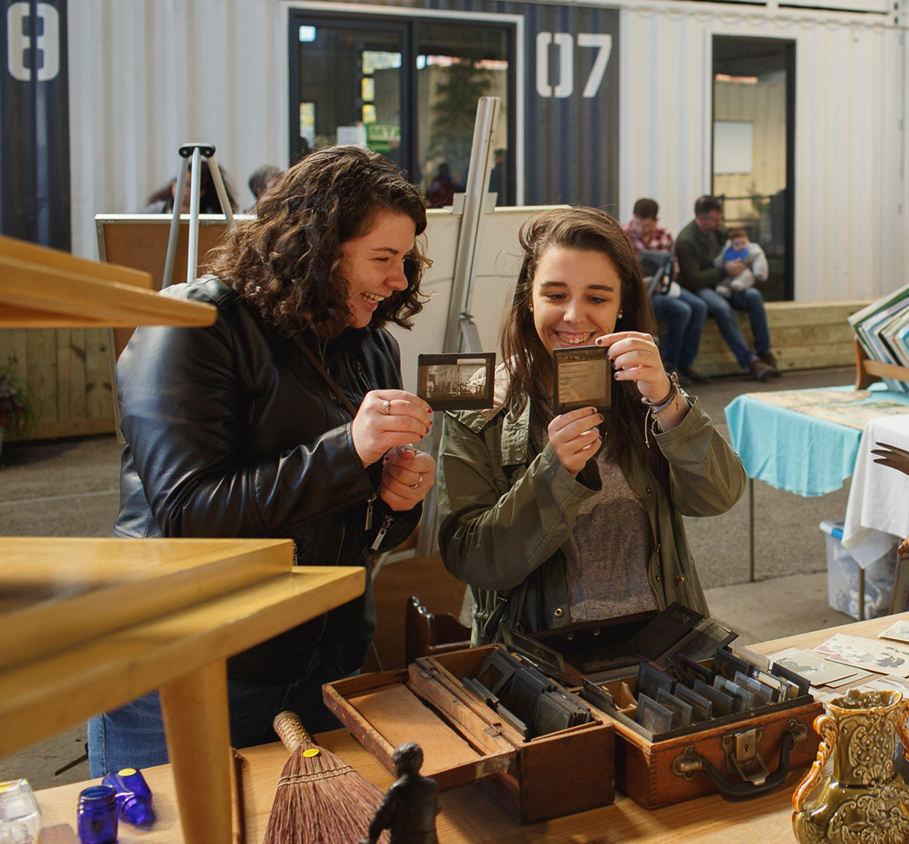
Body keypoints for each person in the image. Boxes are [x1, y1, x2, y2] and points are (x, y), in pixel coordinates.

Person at [89, 145, 436, 774]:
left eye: (406, 260)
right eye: (383, 259)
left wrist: (394, 500)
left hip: (321, 660)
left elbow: (357, 527)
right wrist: (348, 451)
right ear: (314, 244)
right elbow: (189, 516)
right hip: (194, 666)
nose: (400, 281)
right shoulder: (193, 325)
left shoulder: (368, 346)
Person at [436, 206, 744, 639]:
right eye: (556, 295)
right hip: (541, 663)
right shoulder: (480, 405)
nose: (575, 316)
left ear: (622, 306)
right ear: (529, 298)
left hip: (665, 647)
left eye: (597, 298)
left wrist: (669, 402)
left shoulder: (645, 392)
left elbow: (719, 497)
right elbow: (472, 559)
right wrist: (554, 473)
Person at [676, 195, 780, 381]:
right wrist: (724, 270)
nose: (721, 222)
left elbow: (741, 244)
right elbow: (693, 280)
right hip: (703, 286)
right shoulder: (686, 241)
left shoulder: (719, 231)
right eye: (716, 219)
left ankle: (765, 352)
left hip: (729, 280)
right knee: (722, 309)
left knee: (754, 296)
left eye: (721, 218)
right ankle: (751, 361)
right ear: (701, 218)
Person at [623, 198, 709, 385]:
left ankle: (686, 364)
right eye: (637, 223)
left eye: (646, 225)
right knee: (681, 310)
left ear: (655, 221)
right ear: (633, 218)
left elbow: (674, 268)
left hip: (663, 287)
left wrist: (663, 279)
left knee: (700, 306)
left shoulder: (664, 235)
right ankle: (670, 367)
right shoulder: (623, 235)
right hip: (640, 293)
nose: (640, 229)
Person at [365, 741, 440, 844]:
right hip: (430, 840)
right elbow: (436, 809)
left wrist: (370, 841)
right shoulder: (432, 785)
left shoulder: (397, 789)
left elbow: (380, 819)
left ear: (398, 766)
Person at [714, 226, 767, 297]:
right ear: (731, 243)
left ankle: (739, 284)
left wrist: (759, 272)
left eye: (743, 243)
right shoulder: (727, 250)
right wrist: (720, 267)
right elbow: (718, 261)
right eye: (737, 244)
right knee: (724, 280)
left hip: (743, 272)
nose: (741, 246)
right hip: (728, 274)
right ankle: (724, 289)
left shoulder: (751, 250)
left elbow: (758, 257)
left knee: (747, 275)